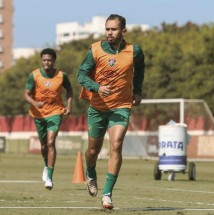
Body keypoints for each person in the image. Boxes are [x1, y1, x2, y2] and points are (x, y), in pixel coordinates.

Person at [77, 14, 145, 209]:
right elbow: (80, 74)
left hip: (121, 106)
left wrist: (138, 91)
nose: (109, 32)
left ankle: (107, 194)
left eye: (113, 29)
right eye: (107, 29)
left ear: (123, 31)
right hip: (98, 107)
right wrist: (97, 87)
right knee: (92, 151)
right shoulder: (96, 50)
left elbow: (140, 70)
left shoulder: (135, 51)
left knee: (116, 145)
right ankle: (90, 171)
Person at [24, 48, 73, 190]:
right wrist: (35, 103)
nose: (47, 62)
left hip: (55, 112)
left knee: (51, 142)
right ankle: (46, 165)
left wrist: (69, 106)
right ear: (41, 60)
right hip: (38, 114)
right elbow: (26, 94)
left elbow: (69, 90)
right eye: (44, 60)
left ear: (54, 61)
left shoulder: (61, 76)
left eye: (49, 60)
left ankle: (49, 178)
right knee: (44, 145)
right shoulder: (34, 75)